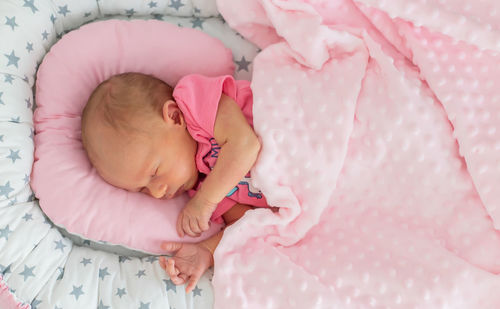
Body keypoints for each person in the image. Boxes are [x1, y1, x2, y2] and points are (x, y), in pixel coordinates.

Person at [81, 72, 269, 293]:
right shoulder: (201, 188)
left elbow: (245, 145)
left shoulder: (195, 104)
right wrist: (205, 252)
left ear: (174, 117)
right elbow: (250, 224)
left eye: (154, 172)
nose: (158, 193)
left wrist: (205, 201)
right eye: (143, 190)